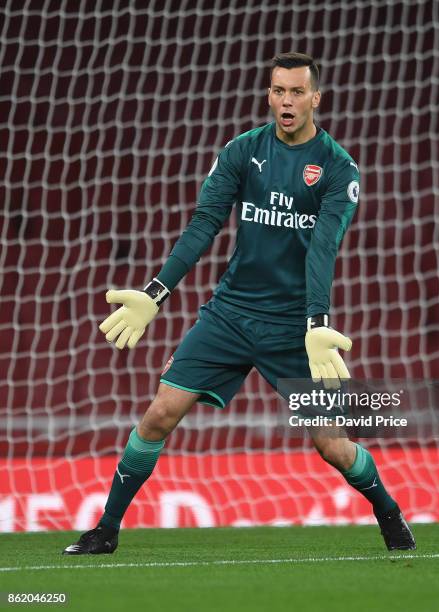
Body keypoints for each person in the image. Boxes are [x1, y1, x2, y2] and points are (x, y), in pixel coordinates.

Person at [63, 52, 415, 555]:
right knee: (160, 413)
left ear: (316, 98)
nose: (286, 101)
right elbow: (204, 223)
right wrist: (155, 293)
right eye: (278, 91)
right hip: (229, 314)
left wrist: (317, 322)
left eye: (297, 91)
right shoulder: (242, 151)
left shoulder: (338, 168)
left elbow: (323, 248)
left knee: (331, 444)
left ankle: (387, 510)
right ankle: (106, 529)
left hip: (294, 328)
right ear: (269, 94)